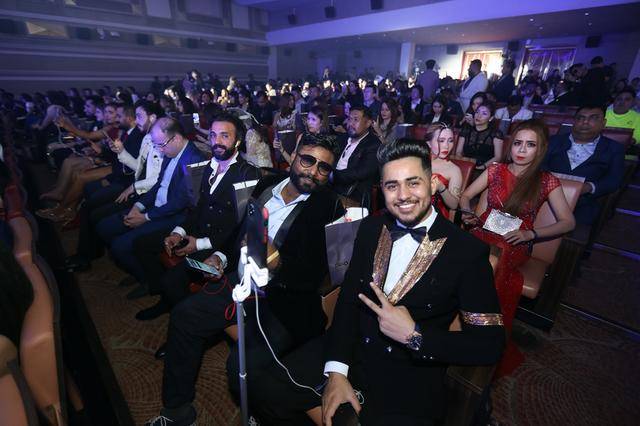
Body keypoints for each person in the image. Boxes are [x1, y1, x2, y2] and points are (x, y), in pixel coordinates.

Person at [244, 138, 505, 425]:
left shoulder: (467, 252)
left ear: (432, 185)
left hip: (408, 374)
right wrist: (337, 370)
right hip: (351, 350)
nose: (403, 195)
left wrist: (415, 335)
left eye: (413, 183)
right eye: (392, 186)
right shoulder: (370, 228)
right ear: (382, 190)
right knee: (264, 387)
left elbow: (489, 345)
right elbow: (347, 301)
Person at [143, 133, 344, 426]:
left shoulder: (329, 207)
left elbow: (310, 277)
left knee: (241, 368)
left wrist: (272, 257)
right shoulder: (267, 184)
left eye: (324, 167)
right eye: (307, 160)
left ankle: (259, 416)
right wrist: (220, 258)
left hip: (282, 303)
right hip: (239, 282)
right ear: (294, 156)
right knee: (184, 316)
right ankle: (177, 412)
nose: (313, 171)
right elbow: (239, 230)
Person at [460, 119, 575, 374]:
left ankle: (482, 335)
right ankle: (457, 324)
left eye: (530, 145)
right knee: (461, 253)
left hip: (516, 242)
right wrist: (467, 213)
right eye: (518, 143)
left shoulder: (546, 180)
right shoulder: (495, 170)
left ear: (540, 149)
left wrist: (531, 233)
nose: (522, 150)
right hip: (484, 231)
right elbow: (466, 196)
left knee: (494, 259)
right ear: (510, 146)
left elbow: (568, 222)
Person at [132, 113, 261, 321]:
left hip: (221, 245)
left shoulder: (247, 174)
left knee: (173, 280)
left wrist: (198, 244)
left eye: (224, 136)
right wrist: (178, 232)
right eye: (213, 135)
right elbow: (198, 208)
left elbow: (239, 228)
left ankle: (184, 318)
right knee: (142, 244)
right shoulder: (208, 167)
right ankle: (164, 297)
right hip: (198, 232)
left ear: (237, 141)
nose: (217, 141)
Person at [96, 117, 206, 299]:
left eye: (161, 145)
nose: (159, 150)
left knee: (119, 246)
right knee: (105, 227)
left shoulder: (194, 160)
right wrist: (138, 205)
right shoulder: (170, 152)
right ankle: (141, 271)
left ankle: (150, 281)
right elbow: (159, 185)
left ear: (177, 138)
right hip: (156, 208)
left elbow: (181, 203)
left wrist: (145, 217)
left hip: (174, 217)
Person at [64, 101, 165, 272]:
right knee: (94, 212)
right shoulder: (148, 137)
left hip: (148, 195)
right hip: (139, 190)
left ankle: (97, 256)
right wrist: (121, 152)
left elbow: (158, 178)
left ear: (153, 117)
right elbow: (138, 167)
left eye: (139, 116)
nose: (136, 120)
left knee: (99, 217)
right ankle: (91, 254)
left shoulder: (161, 139)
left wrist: (133, 187)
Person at [542, 105, 625, 225]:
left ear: (603, 123)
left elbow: (613, 180)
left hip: (584, 202)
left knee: (575, 224)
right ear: (574, 121)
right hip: (545, 196)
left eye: (593, 118)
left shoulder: (614, 149)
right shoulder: (553, 141)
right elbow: (539, 165)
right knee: (520, 216)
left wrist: (589, 187)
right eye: (581, 118)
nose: (585, 122)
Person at [332, 106, 382, 205]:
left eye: (355, 120)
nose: (350, 124)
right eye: (349, 119)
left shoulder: (373, 144)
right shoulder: (342, 138)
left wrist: (333, 175)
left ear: (368, 123)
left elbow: (361, 172)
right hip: (332, 187)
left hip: (353, 194)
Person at [427, 123, 462, 217]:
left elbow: (454, 205)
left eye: (450, 141)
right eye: (441, 141)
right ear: (429, 143)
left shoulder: (453, 169)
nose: (446, 146)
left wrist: (441, 187)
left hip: (436, 216)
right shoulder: (417, 161)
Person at [456, 103, 504, 169]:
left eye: (484, 114)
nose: (479, 116)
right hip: (466, 166)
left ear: (491, 118)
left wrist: (482, 167)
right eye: (477, 112)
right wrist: (464, 164)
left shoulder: (496, 133)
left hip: (486, 168)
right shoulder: (466, 130)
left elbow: (498, 157)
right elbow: (458, 152)